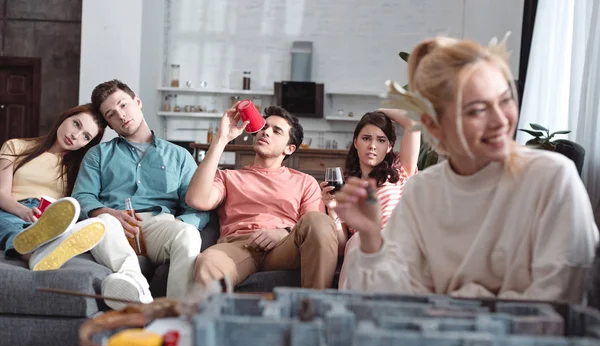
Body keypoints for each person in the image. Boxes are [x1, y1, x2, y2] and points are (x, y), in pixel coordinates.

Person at [334, 35, 599, 302]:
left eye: (505, 100)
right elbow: (390, 297)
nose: (500, 121)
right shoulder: (422, 191)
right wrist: (369, 237)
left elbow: (559, 297)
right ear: (435, 127)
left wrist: (458, 298)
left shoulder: (552, 179)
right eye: (476, 110)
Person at [72, 79, 210, 309]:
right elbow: (82, 196)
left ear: (137, 101)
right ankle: (139, 290)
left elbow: (196, 207)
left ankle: (177, 314)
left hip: (160, 225)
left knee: (188, 234)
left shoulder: (180, 156)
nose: (121, 116)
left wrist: (177, 224)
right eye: (111, 115)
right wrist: (102, 211)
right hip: (113, 227)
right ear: (110, 125)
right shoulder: (98, 155)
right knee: (101, 223)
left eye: (123, 105)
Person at [186, 105, 338, 289]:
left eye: (276, 131)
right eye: (264, 127)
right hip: (239, 246)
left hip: (285, 246)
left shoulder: (304, 182)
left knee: (319, 221)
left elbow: (315, 226)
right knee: (208, 262)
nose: (266, 132)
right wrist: (221, 140)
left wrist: (284, 232)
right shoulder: (229, 177)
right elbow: (196, 199)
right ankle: (216, 316)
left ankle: (316, 311)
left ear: (289, 148)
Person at [321, 109, 420, 288]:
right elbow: (343, 247)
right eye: (366, 138)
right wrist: (332, 208)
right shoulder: (346, 185)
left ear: (389, 147)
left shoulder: (400, 169)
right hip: (363, 249)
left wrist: (377, 111)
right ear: (356, 142)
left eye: (381, 140)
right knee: (358, 240)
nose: (373, 145)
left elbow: (413, 121)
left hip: (398, 243)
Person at [0, 104, 107, 270]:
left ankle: (43, 242)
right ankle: (33, 251)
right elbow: (1, 193)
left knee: (45, 225)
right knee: (6, 222)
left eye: (86, 137)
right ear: (65, 117)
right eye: (76, 124)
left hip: (48, 217)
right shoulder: (15, 146)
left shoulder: (79, 170)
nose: (75, 135)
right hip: (10, 209)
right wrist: (24, 211)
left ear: (87, 144)